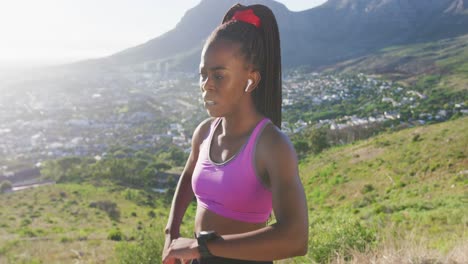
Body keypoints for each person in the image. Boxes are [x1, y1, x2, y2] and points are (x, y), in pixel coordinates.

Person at [162, 3, 308, 264]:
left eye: (218, 75)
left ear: (250, 80)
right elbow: (187, 178)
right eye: (203, 74)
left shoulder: (271, 145)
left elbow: (296, 238)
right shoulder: (205, 132)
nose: (206, 85)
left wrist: (200, 247)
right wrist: (171, 234)